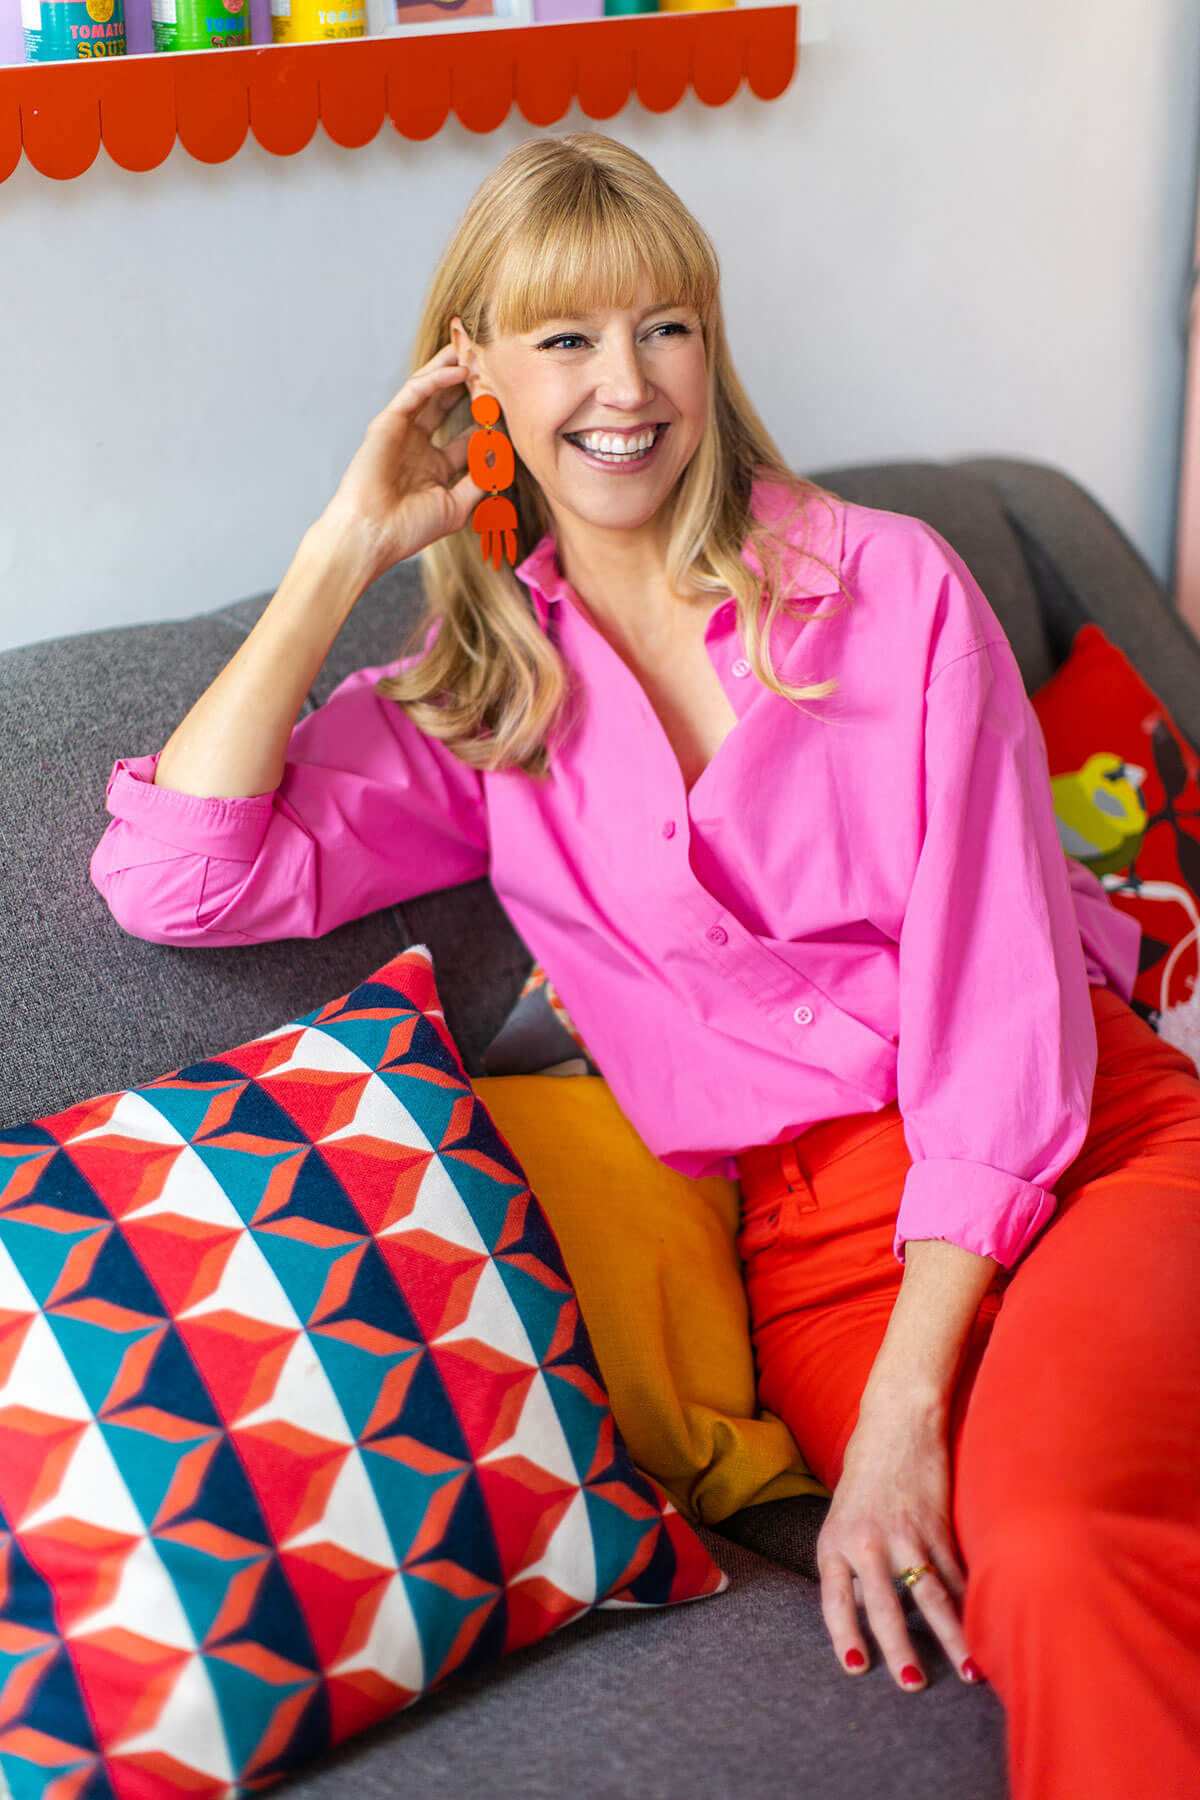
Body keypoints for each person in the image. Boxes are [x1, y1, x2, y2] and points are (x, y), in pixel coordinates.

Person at [90, 131, 1200, 1800]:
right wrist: (345, 544)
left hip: (1086, 1148)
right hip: (816, 1261)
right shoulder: (484, 706)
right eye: (563, 339)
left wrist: (905, 1420)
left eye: (664, 324)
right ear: (479, 382)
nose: (627, 382)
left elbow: (1003, 1010)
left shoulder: (893, 591)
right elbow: (180, 880)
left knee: (1047, 1543)